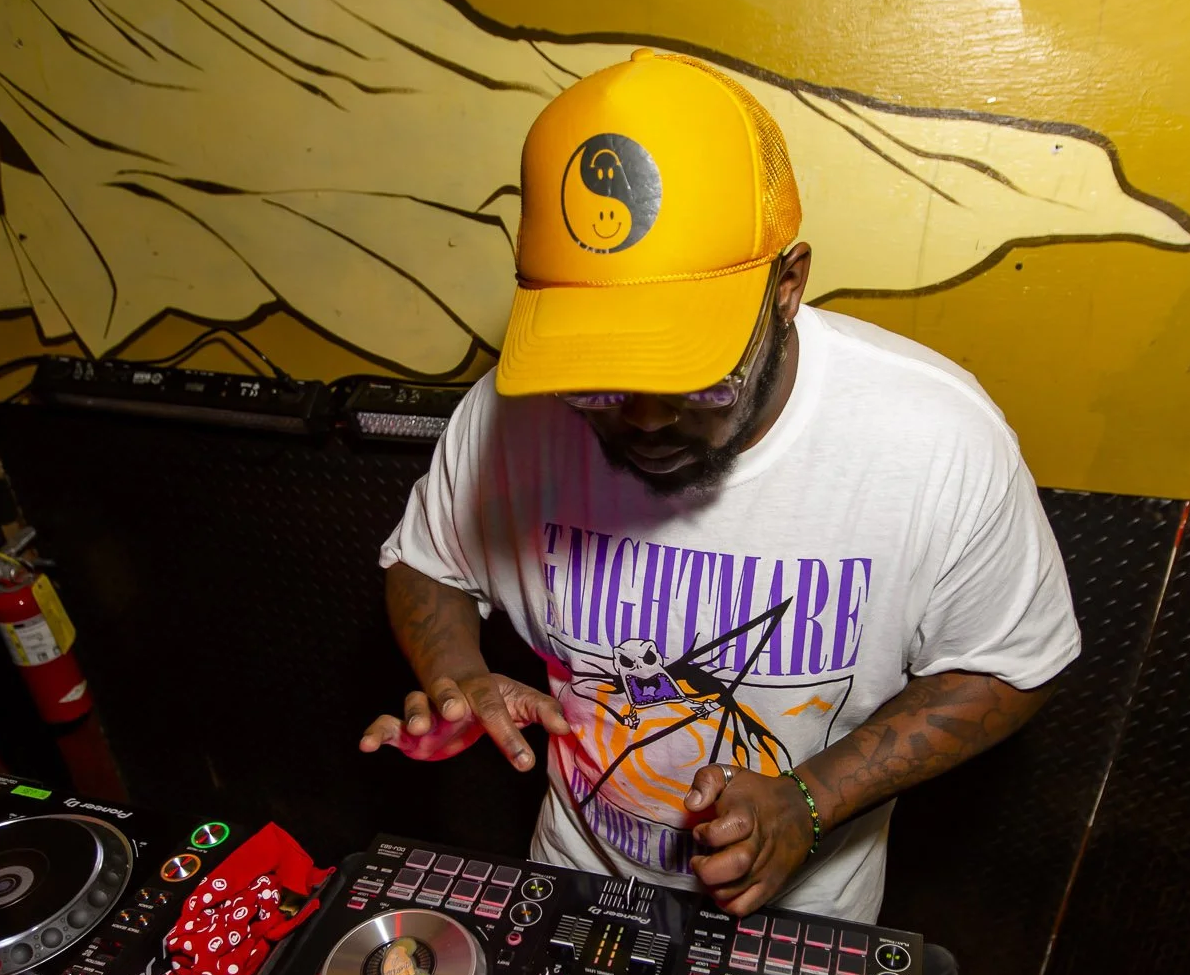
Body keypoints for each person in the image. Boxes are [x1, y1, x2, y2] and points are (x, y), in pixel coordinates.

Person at [361, 50, 1081, 923]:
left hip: (799, 922)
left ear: (788, 286)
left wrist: (812, 798)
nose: (645, 419)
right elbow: (426, 561)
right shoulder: (507, 415)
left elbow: (1010, 664)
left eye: (694, 376)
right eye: (596, 382)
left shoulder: (935, 439)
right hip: (574, 882)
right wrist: (456, 676)